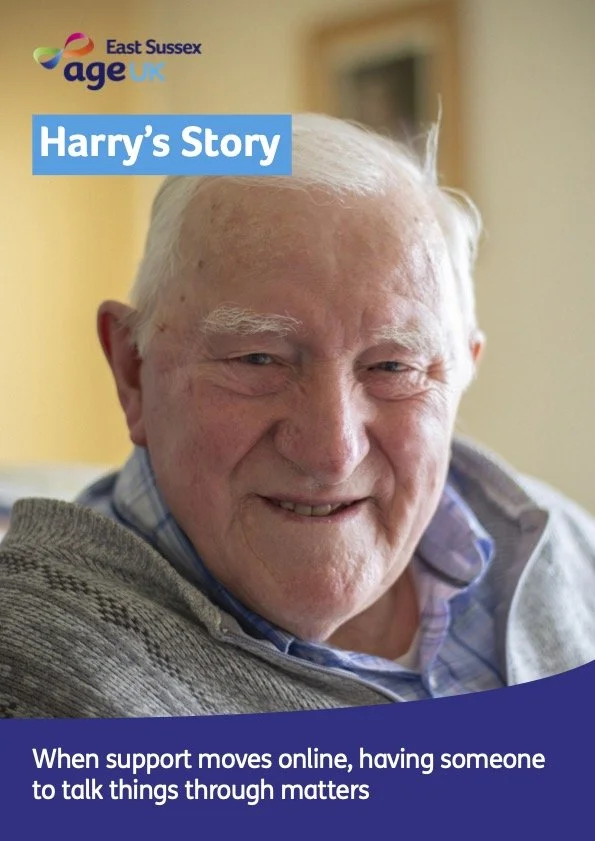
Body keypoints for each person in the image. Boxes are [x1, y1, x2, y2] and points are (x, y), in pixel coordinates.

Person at [1, 114, 594, 718]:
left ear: (463, 371)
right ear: (133, 369)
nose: (332, 452)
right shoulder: (36, 666)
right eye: (259, 358)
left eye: (392, 368)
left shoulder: (560, 542)